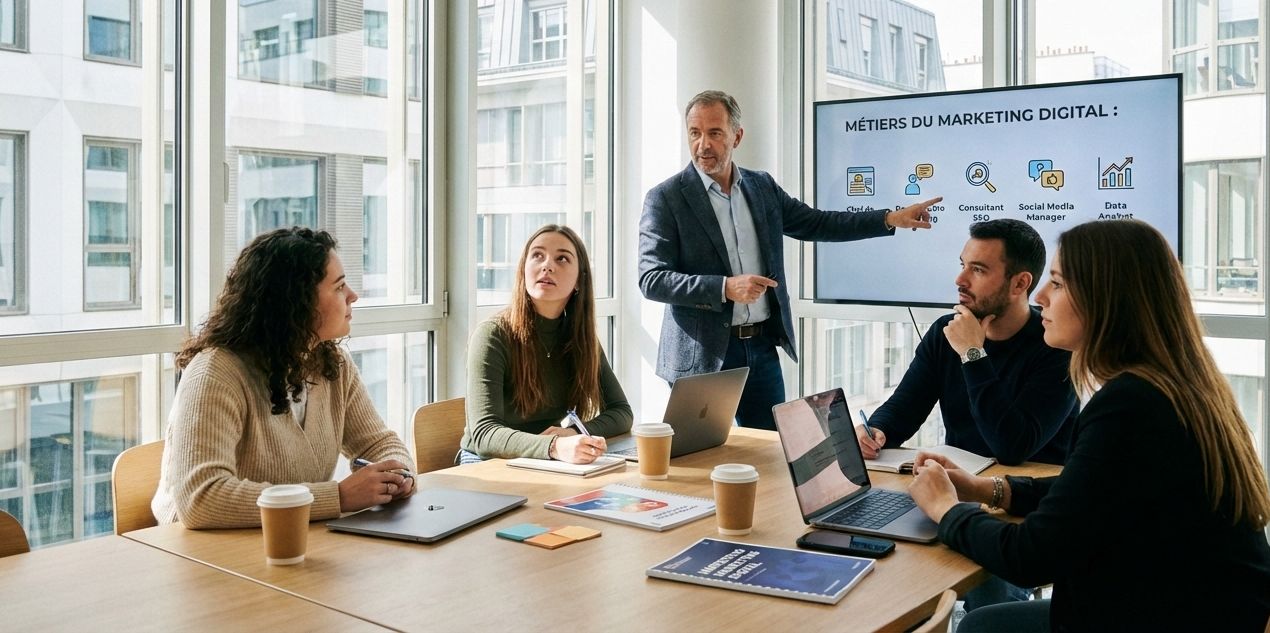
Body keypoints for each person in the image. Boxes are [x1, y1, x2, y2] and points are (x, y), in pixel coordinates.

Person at [909, 220, 1270, 633]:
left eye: (1058, 284)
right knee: (986, 623)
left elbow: (1029, 557)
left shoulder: (1130, 405)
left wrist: (945, 508)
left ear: (1107, 300)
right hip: (1201, 608)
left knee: (982, 628)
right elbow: (1087, 490)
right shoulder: (1169, 385)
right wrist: (987, 489)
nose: (1041, 297)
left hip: (1166, 616)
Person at [640, 89, 941, 430]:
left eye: (715, 133)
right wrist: (725, 288)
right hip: (703, 356)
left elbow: (818, 223)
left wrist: (889, 218)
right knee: (701, 455)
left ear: (737, 136)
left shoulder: (761, 187)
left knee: (772, 450)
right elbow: (651, 278)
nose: (703, 145)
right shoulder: (665, 198)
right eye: (695, 133)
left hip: (761, 348)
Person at [153, 227, 415, 529]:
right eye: (339, 287)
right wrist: (338, 497)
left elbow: (379, 443)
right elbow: (202, 499)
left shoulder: (333, 363)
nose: (353, 296)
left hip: (289, 538)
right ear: (296, 301)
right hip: (194, 547)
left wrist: (398, 475)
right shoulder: (215, 372)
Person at [856, 219, 1076, 467]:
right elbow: (905, 408)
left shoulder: (1057, 345)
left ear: (1019, 284)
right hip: (957, 483)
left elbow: (1012, 448)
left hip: (1031, 487)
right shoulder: (946, 331)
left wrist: (972, 354)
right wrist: (876, 431)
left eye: (978, 270)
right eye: (963, 265)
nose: (960, 279)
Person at [461, 224, 632, 464]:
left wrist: (572, 433)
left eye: (562, 258)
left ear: (579, 280)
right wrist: (554, 446)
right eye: (537, 255)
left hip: (548, 459)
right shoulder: (492, 335)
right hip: (486, 461)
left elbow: (622, 412)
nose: (547, 266)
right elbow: (484, 434)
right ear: (523, 270)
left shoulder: (581, 339)